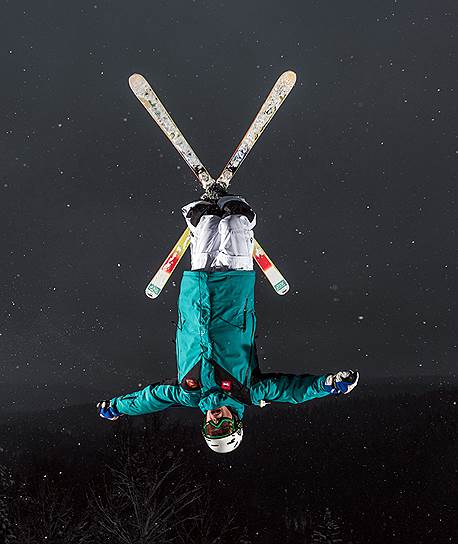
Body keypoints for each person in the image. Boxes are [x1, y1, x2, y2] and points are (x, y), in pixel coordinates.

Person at [97, 187, 359, 453]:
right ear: (236, 422)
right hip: (233, 292)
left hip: (196, 292)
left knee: (208, 221)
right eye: (223, 426)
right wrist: (329, 385)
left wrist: (116, 407)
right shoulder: (248, 391)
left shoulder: (189, 394)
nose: (215, 420)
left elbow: (150, 399)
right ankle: (241, 213)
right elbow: (291, 391)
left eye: (211, 428)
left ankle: (203, 215)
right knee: (234, 221)